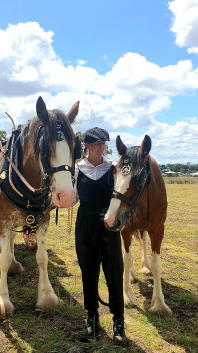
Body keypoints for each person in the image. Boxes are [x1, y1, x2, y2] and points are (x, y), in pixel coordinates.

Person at [74, 127, 128, 347]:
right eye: (96, 143)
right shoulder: (76, 169)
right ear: (86, 145)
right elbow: (73, 197)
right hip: (85, 225)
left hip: (109, 226)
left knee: (114, 272)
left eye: (103, 142)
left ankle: (118, 323)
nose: (101, 145)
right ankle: (91, 318)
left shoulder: (113, 169)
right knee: (88, 271)